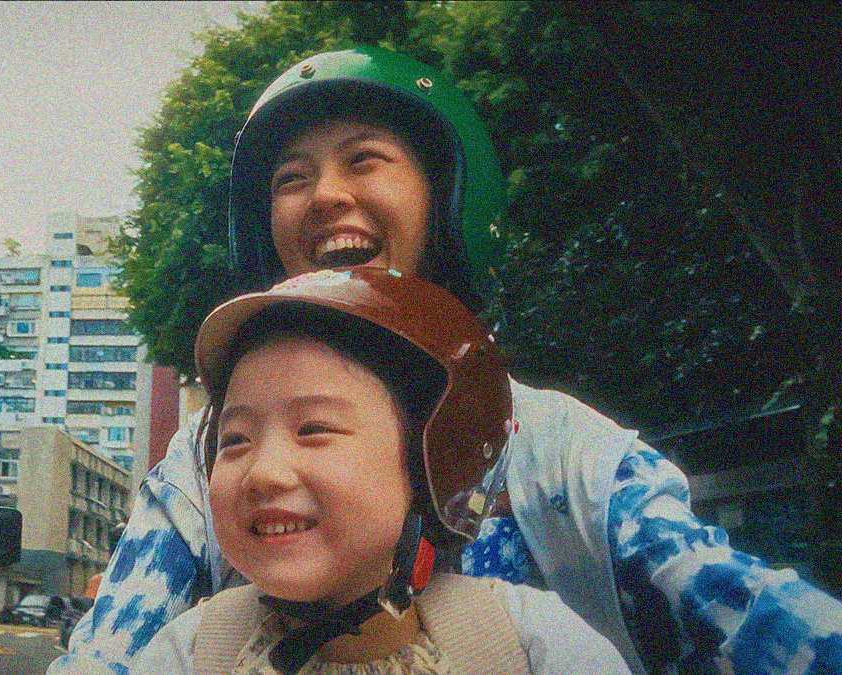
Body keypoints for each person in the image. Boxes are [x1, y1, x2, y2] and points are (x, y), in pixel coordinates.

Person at [49, 46, 842, 675]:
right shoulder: (201, 466)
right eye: (292, 178)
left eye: (364, 160)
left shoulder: (561, 452)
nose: (324, 195)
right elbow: (110, 652)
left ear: (451, 204)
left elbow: (758, 620)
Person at [132, 267, 630, 674]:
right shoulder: (189, 655)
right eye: (235, 440)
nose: (262, 473)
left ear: (432, 463)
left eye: (313, 429)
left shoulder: (528, 645)